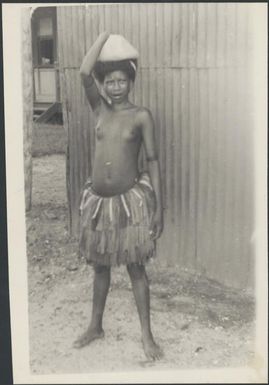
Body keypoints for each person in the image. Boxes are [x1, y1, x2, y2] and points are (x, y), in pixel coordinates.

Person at [73, 32, 164, 361]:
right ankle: (96, 325)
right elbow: (84, 72)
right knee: (100, 267)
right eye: (109, 81)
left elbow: (152, 161)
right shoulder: (99, 109)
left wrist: (159, 208)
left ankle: (147, 336)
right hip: (98, 204)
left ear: (131, 82)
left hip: (129, 203)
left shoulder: (141, 116)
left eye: (121, 80)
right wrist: (103, 37)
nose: (114, 87)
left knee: (136, 269)